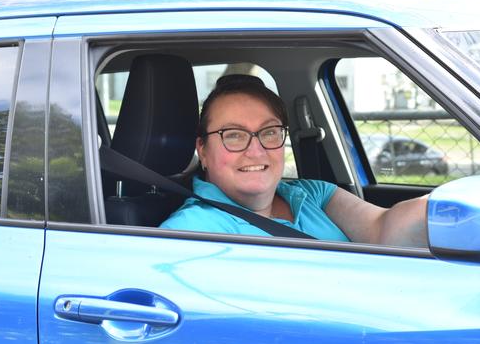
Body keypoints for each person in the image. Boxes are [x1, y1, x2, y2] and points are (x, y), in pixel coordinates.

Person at [161, 74, 428, 247]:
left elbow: (383, 228)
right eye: (233, 135)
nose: (256, 150)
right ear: (203, 150)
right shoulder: (188, 232)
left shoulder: (314, 194)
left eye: (269, 132)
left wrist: (443, 208)